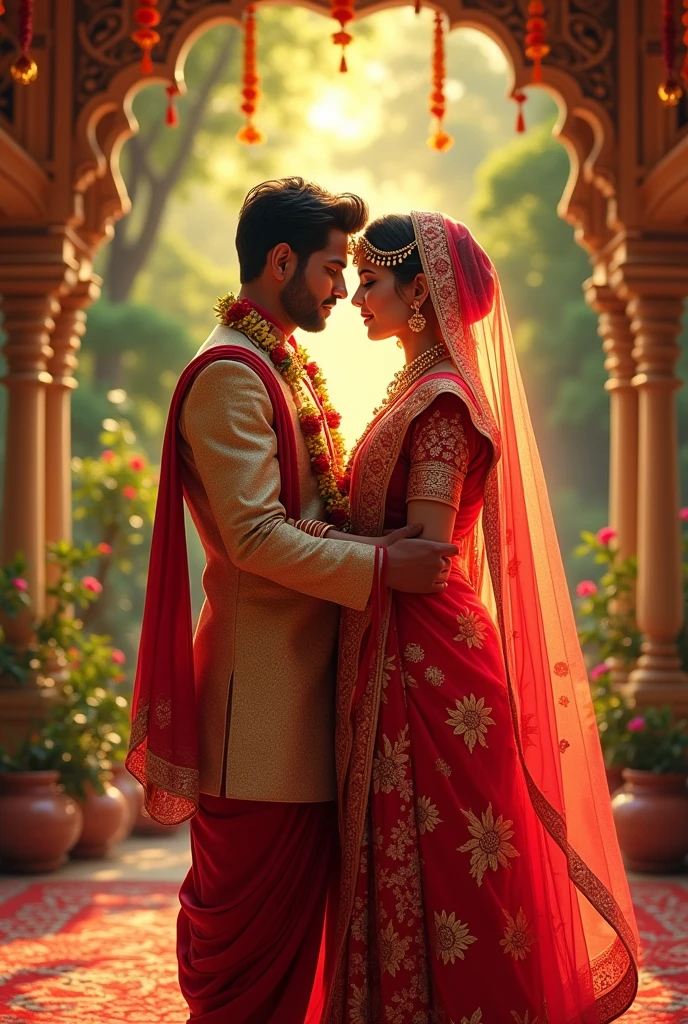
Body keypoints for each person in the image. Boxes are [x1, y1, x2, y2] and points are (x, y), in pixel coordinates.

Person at [125, 179, 458, 1024]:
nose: (343, 289)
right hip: (259, 713)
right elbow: (258, 538)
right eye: (332, 269)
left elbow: (312, 517)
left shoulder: (275, 360)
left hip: (303, 698)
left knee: (301, 950)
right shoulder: (228, 376)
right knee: (249, 961)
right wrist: (387, 567)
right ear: (281, 262)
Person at [319, 212, 640, 1024]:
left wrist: (320, 542)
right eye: (354, 279)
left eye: (372, 280)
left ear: (419, 291)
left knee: (451, 861)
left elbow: (426, 550)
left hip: (429, 660)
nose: (357, 296)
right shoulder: (414, 387)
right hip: (402, 645)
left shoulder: (444, 404)